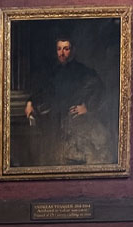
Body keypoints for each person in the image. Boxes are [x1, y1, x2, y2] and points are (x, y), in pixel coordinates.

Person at [24, 34, 112, 166]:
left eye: (66, 49)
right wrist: (30, 102)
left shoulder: (84, 72)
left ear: (73, 51)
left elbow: (100, 91)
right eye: (59, 49)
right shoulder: (52, 72)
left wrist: (87, 108)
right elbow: (42, 91)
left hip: (78, 125)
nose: (62, 53)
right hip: (56, 124)